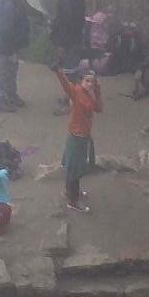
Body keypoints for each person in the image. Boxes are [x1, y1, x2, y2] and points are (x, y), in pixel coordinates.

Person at [55, 66, 103, 213]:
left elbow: (99, 108)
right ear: (81, 81)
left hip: (82, 137)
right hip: (77, 137)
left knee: (73, 168)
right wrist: (59, 71)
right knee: (75, 170)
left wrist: (97, 91)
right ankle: (73, 201)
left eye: (92, 82)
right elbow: (65, 84)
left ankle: (70, 191)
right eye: (87, 81)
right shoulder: (75, 92)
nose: (90, 84)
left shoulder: (90, 94)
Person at [49, 0, 86, 115]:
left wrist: (59, 42)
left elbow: (64, 23)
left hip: (68, 40)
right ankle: (70, 96)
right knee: (73, 69)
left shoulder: (65, 0)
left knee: (69, 70)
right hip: (76, 37)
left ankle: (72, 102)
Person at [0, 0, 30, 112]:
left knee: (12, 71)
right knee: (4, 72)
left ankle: (11, 95)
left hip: (11, 45)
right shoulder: (7, 2)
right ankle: (0, 100)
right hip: (6, 46)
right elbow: (5, 29)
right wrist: (11, 50)